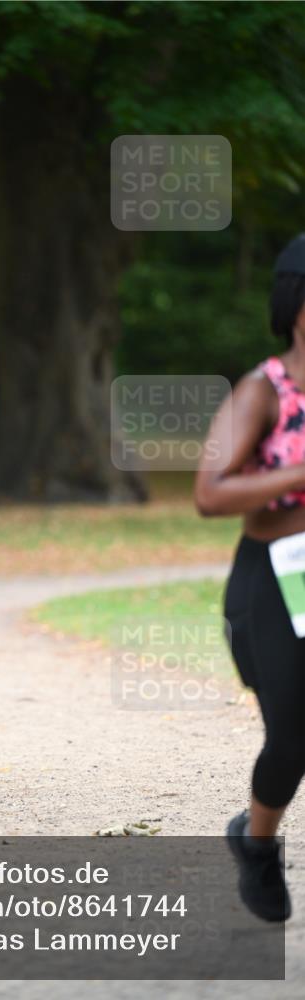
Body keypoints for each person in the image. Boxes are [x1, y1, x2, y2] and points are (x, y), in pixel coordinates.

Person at [195, 232, 305, 923]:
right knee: (294, 734)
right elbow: (209, 492)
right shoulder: (262, 389)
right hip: (275, 582)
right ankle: (256, 841)